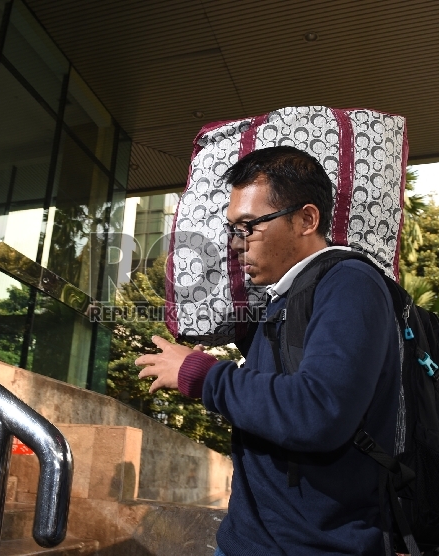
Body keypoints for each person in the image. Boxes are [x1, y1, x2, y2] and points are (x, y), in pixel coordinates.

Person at [136, 146, 401, 555]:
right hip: (250, 541)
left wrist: (202, 374)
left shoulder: (350, 284)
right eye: (232, 230)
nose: (236, 245)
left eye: (249, 227)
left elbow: (319, 411)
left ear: (306, 219)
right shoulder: (281, 301)